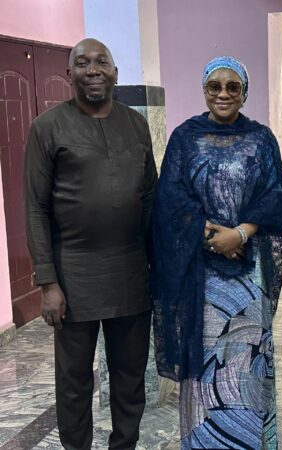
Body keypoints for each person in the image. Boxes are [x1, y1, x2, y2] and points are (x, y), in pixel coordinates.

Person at [151, 56, 282, 450]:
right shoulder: (185, 137)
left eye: (233, 87)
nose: (224, 94)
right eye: (215, 86)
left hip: (248, 277)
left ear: (245, 93)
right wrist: (212, 236)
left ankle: (246, 440)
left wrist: (241, 234)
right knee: (204, 360)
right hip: (200, 276)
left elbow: (276, 197)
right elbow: (169, 199)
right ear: (204, 90)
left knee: (245, 358)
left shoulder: (261, 139)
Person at [24, 38, 157, 450]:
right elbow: (35, 208)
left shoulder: (136, 125)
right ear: (70, 74)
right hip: (73, 277)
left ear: (116, 72)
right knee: (74, 382)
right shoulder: (47, 127)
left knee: (130, 378)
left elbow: (150, 198)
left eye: (102, 62)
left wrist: (157, 269)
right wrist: (48, 283)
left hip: (131, 274)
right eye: (82, 63)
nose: (93, 69)